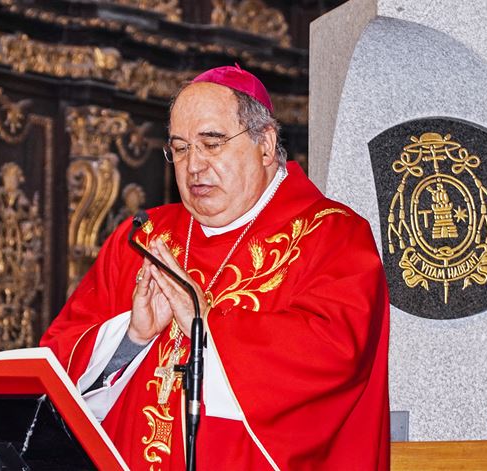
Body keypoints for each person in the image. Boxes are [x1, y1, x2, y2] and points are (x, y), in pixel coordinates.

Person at [41, 64, 390, 470]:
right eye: (181, 148)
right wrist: (132, 338)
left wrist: (207, 326)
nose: (193, 166)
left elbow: (334, 357)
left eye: (212, 143)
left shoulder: (330, 235)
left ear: (265, 143)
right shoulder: (143, 239)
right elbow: (56, 373)